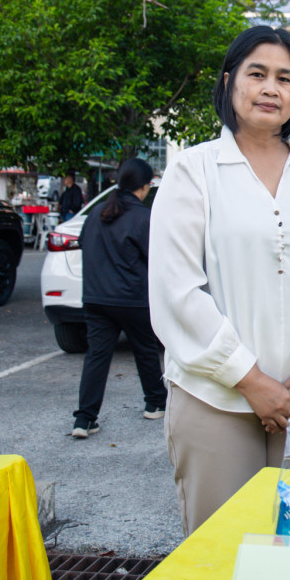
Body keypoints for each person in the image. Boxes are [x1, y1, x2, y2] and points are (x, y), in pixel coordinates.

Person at [149, 25, 290, 535]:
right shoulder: (193, 171)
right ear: (229, 81)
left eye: (285, 78)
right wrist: (251, 381)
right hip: (216, 399)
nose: (270, 88)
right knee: (221, 554)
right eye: (257, 74)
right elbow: (178, 292)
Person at [72, 158, 166, 438]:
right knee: (145, 350)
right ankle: (155, 403)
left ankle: (84, 419)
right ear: (145, 186)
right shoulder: (143, 217)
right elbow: (157, 257)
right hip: (132, 297)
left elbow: (83, 244)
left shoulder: (97, 212)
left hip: (95, 297)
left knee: (97, 357)